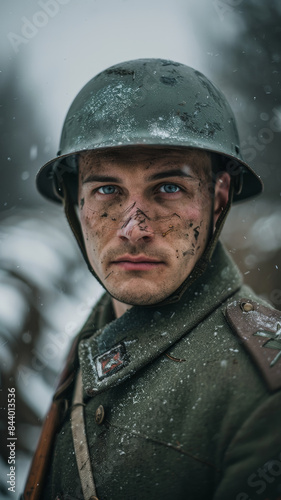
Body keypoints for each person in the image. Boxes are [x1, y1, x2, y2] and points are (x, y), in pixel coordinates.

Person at [23, 59, 281, 500]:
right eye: (107, 190)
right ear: (74, 203)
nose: (133, 228)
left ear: (218, 199)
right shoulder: (95, 331)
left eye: (168, 188)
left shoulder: (263, 391)